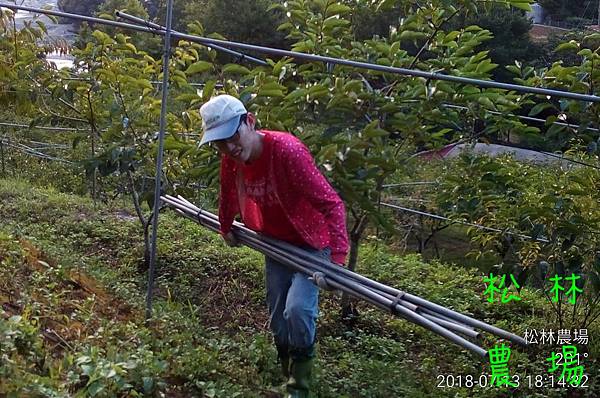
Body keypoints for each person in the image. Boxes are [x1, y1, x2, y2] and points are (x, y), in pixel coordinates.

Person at [198, 94, 349, 397]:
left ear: (249, 121)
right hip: (275, 243)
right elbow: (228, 192)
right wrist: (225, 226)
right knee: (278, 319)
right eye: (220, 142)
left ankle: (299, 386)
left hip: (311, 243)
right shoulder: (231, 160)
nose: (230, 147)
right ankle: (285, 371)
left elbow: (332, 203)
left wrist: (338, 259)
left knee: (297, 311)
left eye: (233, 136)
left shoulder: (287, 152)